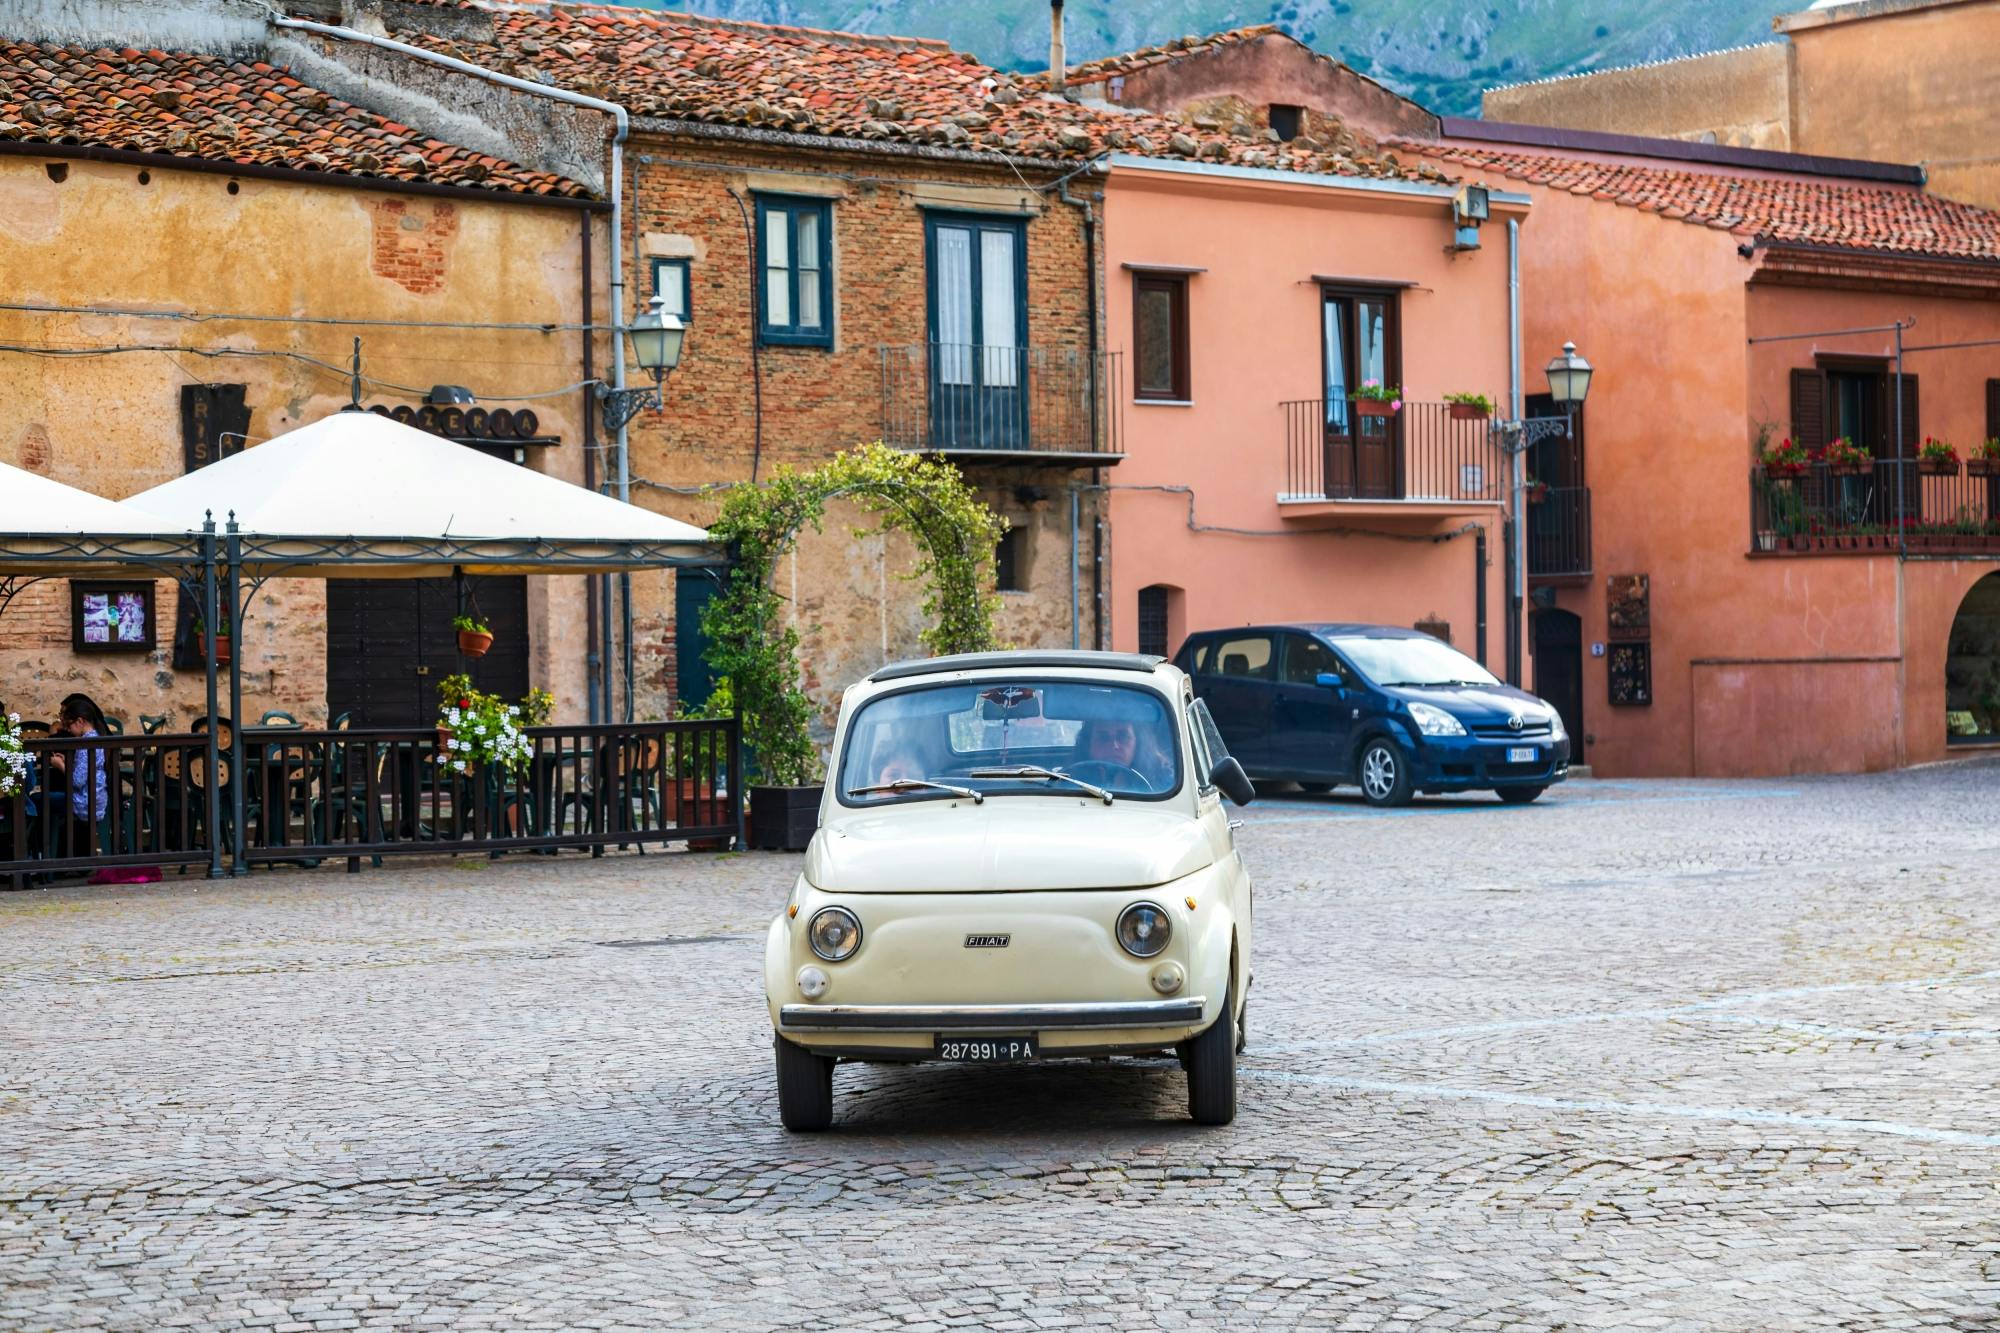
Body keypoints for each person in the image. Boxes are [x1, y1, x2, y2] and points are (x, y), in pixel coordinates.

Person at [43, 693, 110, 857]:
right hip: (96, 798)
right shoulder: (96, 738)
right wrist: (69, 762)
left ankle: (47, 856)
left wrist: (61, 765)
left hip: (85, 802)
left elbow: (77, 781)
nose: (67, 729)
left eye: (68, 724)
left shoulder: (85, 743)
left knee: (40, 800)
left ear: (80, 721)